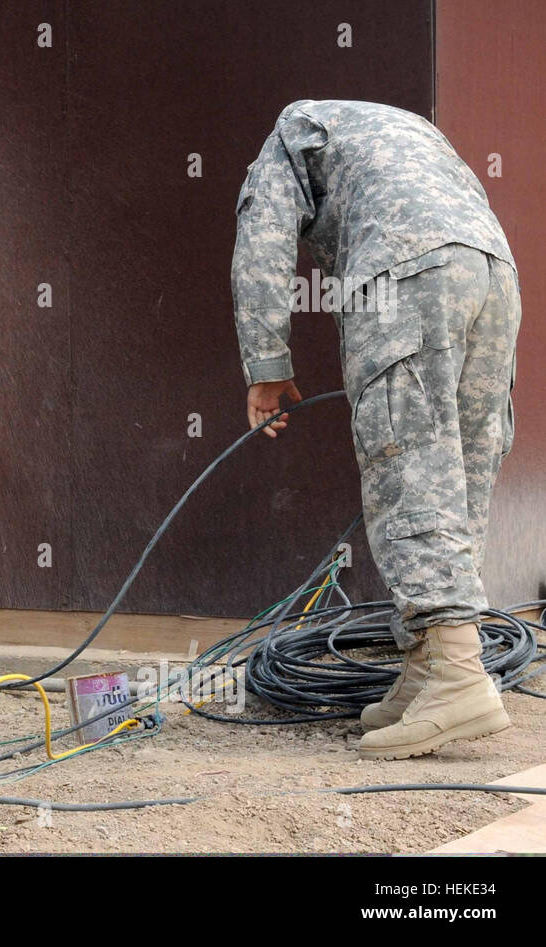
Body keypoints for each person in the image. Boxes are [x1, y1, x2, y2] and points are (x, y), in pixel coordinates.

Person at [231, 99, 519, 760]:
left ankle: (455, 673)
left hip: (405, 275)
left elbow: (264, 232)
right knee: (462, 465)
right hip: (495, 273)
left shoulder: (292, 131)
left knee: (409, 460)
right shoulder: (409, 129)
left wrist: (267, 363)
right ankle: (427, 665)